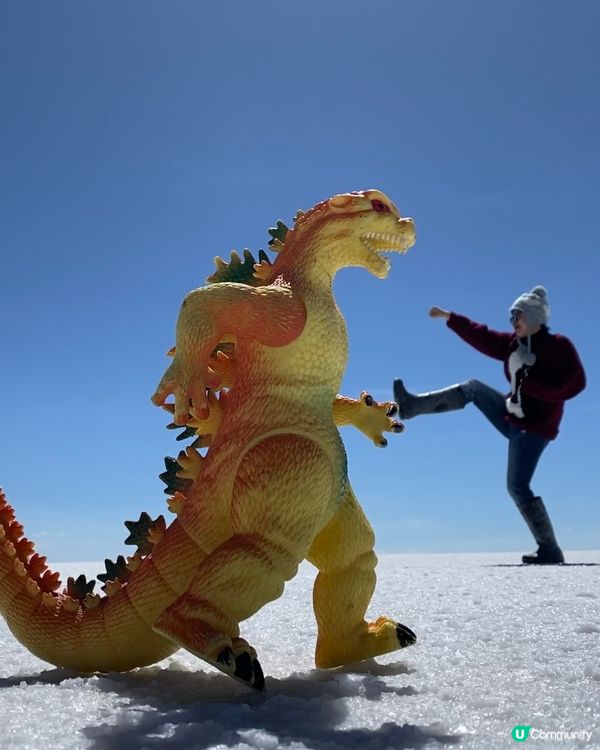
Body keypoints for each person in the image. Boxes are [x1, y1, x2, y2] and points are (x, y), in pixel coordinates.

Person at [393, 286, 586, 565]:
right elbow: (482, 335)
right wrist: (450, 318)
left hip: (535, 429)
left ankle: (549, 549)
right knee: (473, 388)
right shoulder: (513, 345)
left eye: (517, 317)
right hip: (511, 415)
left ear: (533, 318)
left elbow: (576, 383)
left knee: (518, 487)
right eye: (512, 318)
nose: (513, 323)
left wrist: (534, 387)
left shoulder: (558, 346)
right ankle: (412, 406)